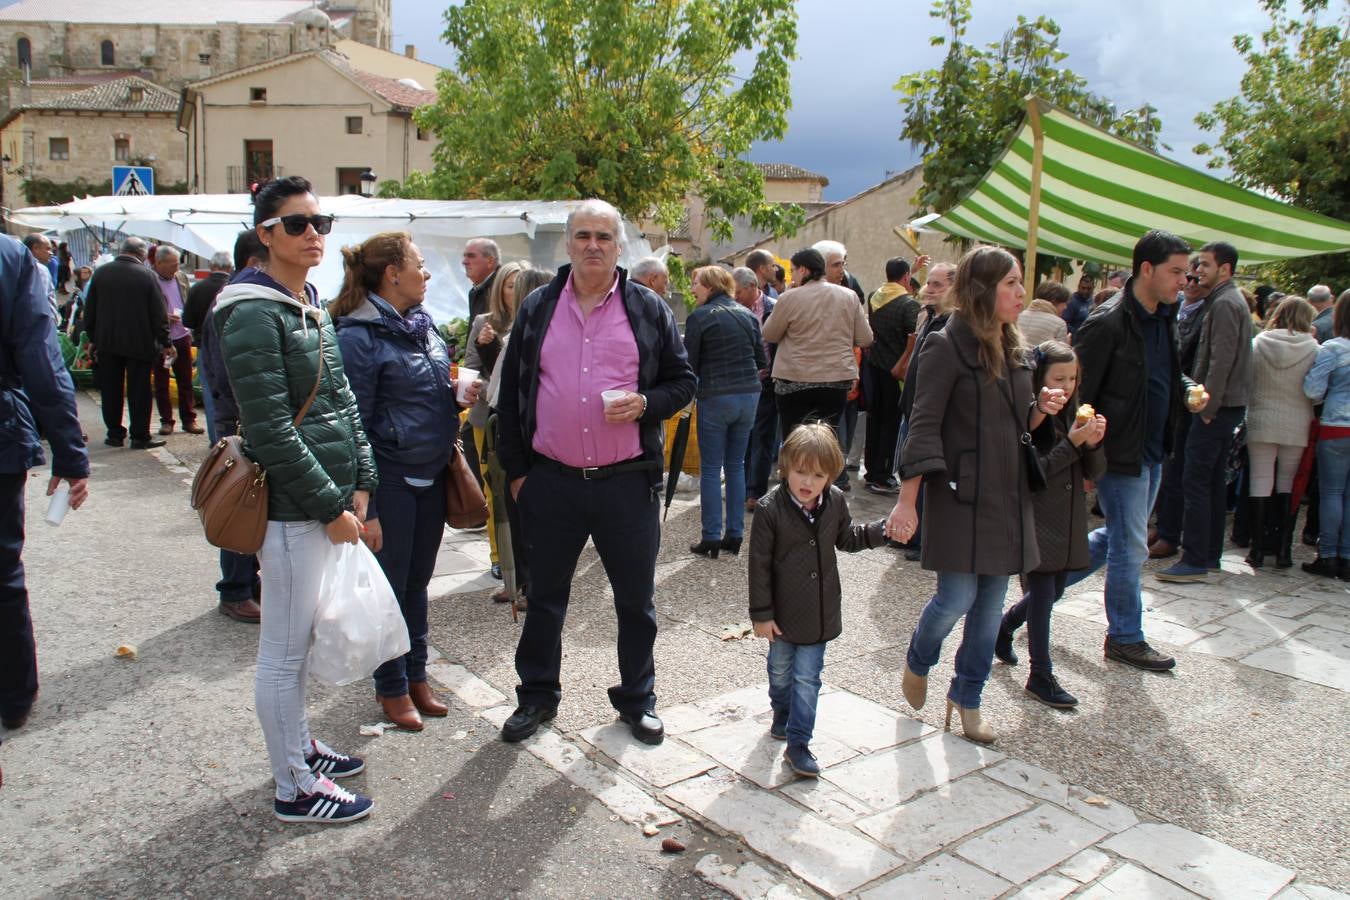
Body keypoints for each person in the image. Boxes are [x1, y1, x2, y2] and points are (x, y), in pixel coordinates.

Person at [495, 199, 695, 745]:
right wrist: (519, 474)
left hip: (627, 482)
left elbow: (683, 381)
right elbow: (511, 397)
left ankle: (638, 699)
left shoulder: (647, 309)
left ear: (618, 245)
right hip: (551, 481)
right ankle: (536, 697)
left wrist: (646, 404)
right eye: (582, 235)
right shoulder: (537, 307)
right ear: (568, 243)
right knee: (545, 598)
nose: (592, 245)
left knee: (635, 601)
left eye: (603, 237)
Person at [214, 176, 377, 824]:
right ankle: (294, 785)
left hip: (322, 501)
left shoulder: (305, 299)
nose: (314, 234)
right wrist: (328, 506)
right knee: (282, 652)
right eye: (298, 224)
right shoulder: (251, 312)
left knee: (299, 644)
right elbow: (270, 429)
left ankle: (299, 748)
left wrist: (362, 479)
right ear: (266, 235)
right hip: (290, 511)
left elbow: (340, 400)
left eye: (321, 222)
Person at [886, 245, 1048, 743]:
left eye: (1020, 283)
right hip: (958, 491)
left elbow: (1020, 424)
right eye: (1010, 284)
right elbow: (924, 424)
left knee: (990, 605)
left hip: (1006, 493)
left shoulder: (1016, 345)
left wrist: (1044, 408)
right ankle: (920, 657)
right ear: (982, 288)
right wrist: (907, 501)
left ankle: (967, 697)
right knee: (956, 596)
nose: (1021, 293)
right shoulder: (946, 343)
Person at [334, 230, 472, 732]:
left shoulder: (423, 326)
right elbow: (354, 424)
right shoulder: (357, 337)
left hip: (431, 474)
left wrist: (456, 391)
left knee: (416, 584)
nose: (427, 273)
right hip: (390, 479)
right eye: (419, 263)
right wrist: (362, 504)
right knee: (388, 588)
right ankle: (390, 687)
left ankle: (417, 675)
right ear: (393, 273)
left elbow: (424, 388)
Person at [1068, 230, 1205, 672]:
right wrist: (1085, 456)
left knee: (1116, 541)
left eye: (1187, 272)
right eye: (1177, 272)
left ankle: (1038, 593)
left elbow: (1168, 373)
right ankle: (1126, 637)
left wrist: (1186, 389)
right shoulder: (1106, 323)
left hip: (1153, 451)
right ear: (1147, 269)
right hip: (1119, 456)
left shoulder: (1166, 316)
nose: (1185, 280)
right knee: (1131, 548)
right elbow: (1079, 394)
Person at [748, 423, 884, 776]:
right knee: (780, 671)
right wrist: (761, 615)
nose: (807, 482)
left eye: (818, 475)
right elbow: (758, 567)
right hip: (781, 613)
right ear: (786, 467)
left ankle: (799, 744)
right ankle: (781, 709)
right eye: (800, 472)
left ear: (830, 477)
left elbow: (847, 538)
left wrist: (880, 532)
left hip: (819, 614)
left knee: (808, 679)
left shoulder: (835, 501)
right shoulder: (769, 509)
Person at [0, 235, 91, 734]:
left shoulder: (13, 257)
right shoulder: (11, 257)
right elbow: (39, 355)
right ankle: (13, 694)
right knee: (3, 575)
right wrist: (70, 453)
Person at [995, 341, 1106, 708]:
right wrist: (1073, 442)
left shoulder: (1074, 413)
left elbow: (1095, 473)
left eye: (1073, 378)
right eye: (1058, 377)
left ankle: (1005, 626)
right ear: (1039, 379)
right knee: (1044, 597)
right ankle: (1040, 674)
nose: (1067, 385)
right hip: (1038, 520)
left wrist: (1092, 444)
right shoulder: (1031, 417)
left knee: (1054, 591)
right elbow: (1035, 473)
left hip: (1069, 519)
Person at [1157, 241, 1251, 583]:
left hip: (1217, 407)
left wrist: (1207, 405)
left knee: (1195, 479)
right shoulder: (1225, 300)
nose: (1198, 272)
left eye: (1206, 265)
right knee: (1209, 481)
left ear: (1225, 269)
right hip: (1225, 405)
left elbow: (1220, 359)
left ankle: (1196, 558)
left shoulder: (1225, 303)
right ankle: (1208, 554)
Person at [684, 265, 766, 558]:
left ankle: (710, 537)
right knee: (735, 466)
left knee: (710, 468)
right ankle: (735, 534)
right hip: (749, 395)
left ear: (709, 285)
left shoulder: (699, 317)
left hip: (716, 396)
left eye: (695, 283)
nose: (692, 290)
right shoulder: (747, 314)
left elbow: (689, 365)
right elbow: (760, 358)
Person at [761, 248, 872, 443]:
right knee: (827, 441)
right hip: (835, 380)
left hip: (793, 380)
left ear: (803, 270)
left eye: (793, 270)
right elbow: (866, 338)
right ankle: (828, 473)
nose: (791, 275)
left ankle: (796, 473)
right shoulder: (849, 296)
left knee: (794, 441)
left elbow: (770, 334)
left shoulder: (790, 298)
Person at [1244, 296, 1318, 568]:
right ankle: (1284, 549)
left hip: (1262, 418)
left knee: (1259, 482)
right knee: (1289, 484)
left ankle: (1257, 550)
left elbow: (1247, 379)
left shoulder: (1259, 343)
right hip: (1297, 421)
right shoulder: (1314, 348)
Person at [466, 259, 526, 596]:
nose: (514, 292)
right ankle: (499, 558)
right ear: (499, 289)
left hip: (520, 419)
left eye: (520, 285)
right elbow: (471, 368)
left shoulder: (533, 318)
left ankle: (521, 567)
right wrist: (494, 378)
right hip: (488, 416)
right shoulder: (484, 323)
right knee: (494, 490)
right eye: (508, 285)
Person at [1149, 256, 1211, 559]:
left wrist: (1191, 389)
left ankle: (1170, 534)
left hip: (1185, 403)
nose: (1188, 282)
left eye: (1193, 277)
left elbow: (1183, 360)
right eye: (1185, 275)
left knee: (1178, 474)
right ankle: (1162, 527)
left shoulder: (1208, 309)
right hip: (1171, 403)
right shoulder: (1173, 310)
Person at [83, 237, 169, 450]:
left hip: (107, 342)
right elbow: (158, 314)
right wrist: (166, 341)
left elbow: (90, 311)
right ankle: (139, 435)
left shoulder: (101, 273)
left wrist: (93, 338)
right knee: (139, 390)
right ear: (141, 254)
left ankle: (114, 433)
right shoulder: (147, 276)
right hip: (139, 342)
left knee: (111, 389)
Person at [862, 257, 921, 494]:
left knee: (874, 420)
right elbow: (913, 337)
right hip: (896, 371)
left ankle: (871, 470)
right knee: (891, 424)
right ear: (906, 277)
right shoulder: (909, 304)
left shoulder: (874, 296)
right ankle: (884, 474)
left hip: (874, 366)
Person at [1302, 290, 1350, 579]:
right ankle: (1347, 556)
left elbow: (1312, 390)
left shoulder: (1332, 349)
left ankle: (1328, 555)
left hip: (1335, 425)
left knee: (1332, 492)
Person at [733, 266, 779, 512]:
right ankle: (742, 487)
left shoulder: (774, 307)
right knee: (744, 437)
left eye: (739, 291)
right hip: (743, 383)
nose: (736, 296)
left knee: (762, 437)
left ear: (753, 287)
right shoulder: (734, 310)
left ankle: (755, 491)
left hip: (768, 381)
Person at [149, 245, 203, 435]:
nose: (176, 269)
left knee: (185, 379)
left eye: (177, 264)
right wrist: (163, 316)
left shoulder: (180, 278)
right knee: (162, 381)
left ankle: (189, 419)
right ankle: (167, 421)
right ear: (158, 263)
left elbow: (187, 300)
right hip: (162, 339)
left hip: (182, 335)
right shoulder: (150, 280)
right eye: (172, 265)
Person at [1017, 281, 1070, 346]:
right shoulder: (1060, 324)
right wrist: (1067, 346)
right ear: (1054, 300)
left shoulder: (1018, 316)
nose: (1065, 307)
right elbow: (1060, 354)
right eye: (1064, 303)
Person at [464, 237, 501, 321]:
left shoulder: (501, 288)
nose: (464, 262)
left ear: (490, 261)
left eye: (471, 256)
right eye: (465, 256)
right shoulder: (477, 290)